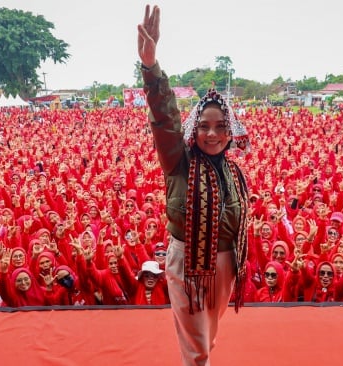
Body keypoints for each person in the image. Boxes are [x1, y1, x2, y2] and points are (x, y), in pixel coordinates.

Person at [138, 5, 250, 365]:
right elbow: (164, 118)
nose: (212, 134)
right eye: (204, 126)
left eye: (220, 126)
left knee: (208, 338)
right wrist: (152, 68)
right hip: (188, 262)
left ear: (230, 131)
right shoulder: (179, 160)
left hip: (225, 263)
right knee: (197, 347)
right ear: (193, 129)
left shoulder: (233, 172)